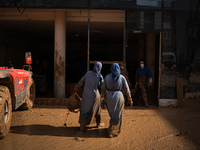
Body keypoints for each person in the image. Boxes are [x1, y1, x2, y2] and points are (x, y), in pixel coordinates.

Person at [101, 63, 133, 138]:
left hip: (109, 96)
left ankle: (112, 129)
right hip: (119, 96)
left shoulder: (107, 77)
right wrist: (130, 99)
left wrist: (102, 99)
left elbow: (103, 89)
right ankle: (115, 131)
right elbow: (127, 90)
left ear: (111, 69)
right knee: (119, 113)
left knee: (112, 113)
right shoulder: (122, 77)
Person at [74, 62, 103, 132]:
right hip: (95, 95)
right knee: (97, 109)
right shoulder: (99, 76)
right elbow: (101, 86)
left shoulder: (88, 73)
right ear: (100, 68)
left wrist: (76, 88)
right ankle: (98, 123)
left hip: (86, 95)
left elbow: (81, 82)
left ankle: (82, 126)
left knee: (84, 109)